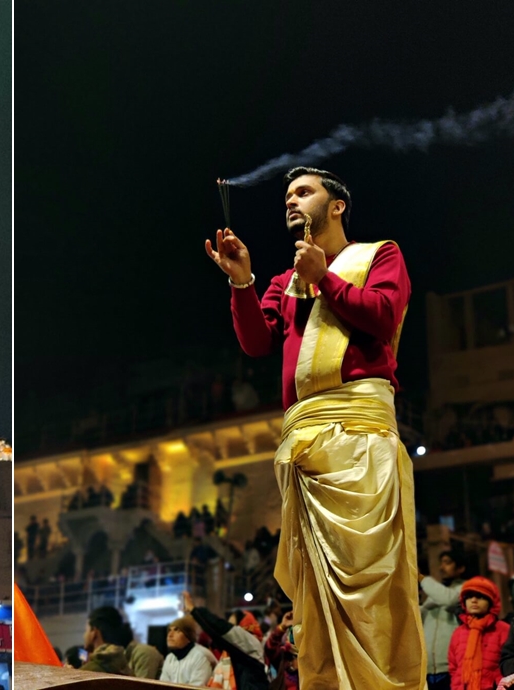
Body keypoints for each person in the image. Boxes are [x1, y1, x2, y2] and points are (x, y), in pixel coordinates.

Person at [205, 167, 421, 688]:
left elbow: (384, 317)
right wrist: (242, 281)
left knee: (371, 580)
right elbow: (257, 343)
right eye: (287, 195)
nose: (291, 201)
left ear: (338, 205)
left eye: (304, 192)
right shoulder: (284, 281)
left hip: (360, 433)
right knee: (315, 596)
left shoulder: (379, 255)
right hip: (303, 444)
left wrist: (325, 277)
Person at [181, 590, 268, 690]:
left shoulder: (251, 643)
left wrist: (194, 610)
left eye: (233, 626)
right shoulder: (231, 654)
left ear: (243, 629)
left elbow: (220, 628)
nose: (230, 629)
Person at [447, 576, 509, 690]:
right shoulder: (458, 632)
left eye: (480, 596)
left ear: (491, 602)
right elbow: (453, 668)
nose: (473, 600)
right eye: (469, 597)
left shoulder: (503, 629)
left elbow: (508, 664)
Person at [421, 550, 468, 690]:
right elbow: (420, 613)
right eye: (441, 563)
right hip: (429, 670)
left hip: (452, 669)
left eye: (447, 563)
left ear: (461, 568)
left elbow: (449, 600)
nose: (442, 567)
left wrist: (421, 578)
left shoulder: (466, 588)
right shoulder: (436, 593)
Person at [158, 615, 216, 686]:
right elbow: (163, 686)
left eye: (177, 630)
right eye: (169, 630)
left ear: (188, 636)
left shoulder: (200, 656)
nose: (170, 635)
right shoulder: (170, 658)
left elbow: (197, 688)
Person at [80, 607, 133, 676]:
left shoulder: (89, 671)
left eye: (86, 630)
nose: (84, 636)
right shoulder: (125, 665)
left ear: (94, 632)